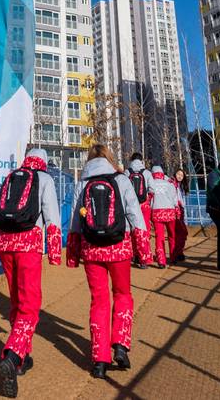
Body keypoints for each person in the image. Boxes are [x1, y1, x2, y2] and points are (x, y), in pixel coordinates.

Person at [67, 145, 152, 380]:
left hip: (92, 249)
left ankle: (99, 360)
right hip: (120, 248)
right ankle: (121, 345)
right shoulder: (121, 180)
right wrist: (144, 251)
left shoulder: (82, 183)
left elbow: (75, 221)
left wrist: (73, 255)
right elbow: (135, 214)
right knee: (123, 295)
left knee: (99, 301)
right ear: (109, 159)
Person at [0, 148, 62, 398]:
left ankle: (22, 359)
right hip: (28, 245)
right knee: (30, 304)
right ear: (45, 162)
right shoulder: (45, 179)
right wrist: (55, 251)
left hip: (5, 244)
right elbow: (52, 217)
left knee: (16, 303)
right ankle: (12, 354)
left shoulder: (11, 176)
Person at [125, 156, 155, 268]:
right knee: (143, 231)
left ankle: (134, 255)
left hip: (131, 205)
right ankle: (144, 259)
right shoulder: (146, 172)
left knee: (132, 230)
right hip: (144, 205)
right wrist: (147, 198)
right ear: (142, 160)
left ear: (131, 160)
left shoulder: (127, 172)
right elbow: (152, 189)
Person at [148, 166, 179, 268]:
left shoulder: (151, 184)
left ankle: (161, 260)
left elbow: (150, 201)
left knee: (159, 236)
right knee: (172, 234)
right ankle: (173, 257)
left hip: (157, 212)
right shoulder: (169, 184)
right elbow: (175, 199)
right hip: (170, 211)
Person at [172, 168, 189, 263]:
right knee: (181, 233)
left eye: (182, 175)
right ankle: (178, 253)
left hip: (180, 211)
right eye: (178, 174)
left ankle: (179, 252)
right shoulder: (172, 184)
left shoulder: (180, 186)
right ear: (175, 174)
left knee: (181, 234)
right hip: (176, 211)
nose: (180, 176)